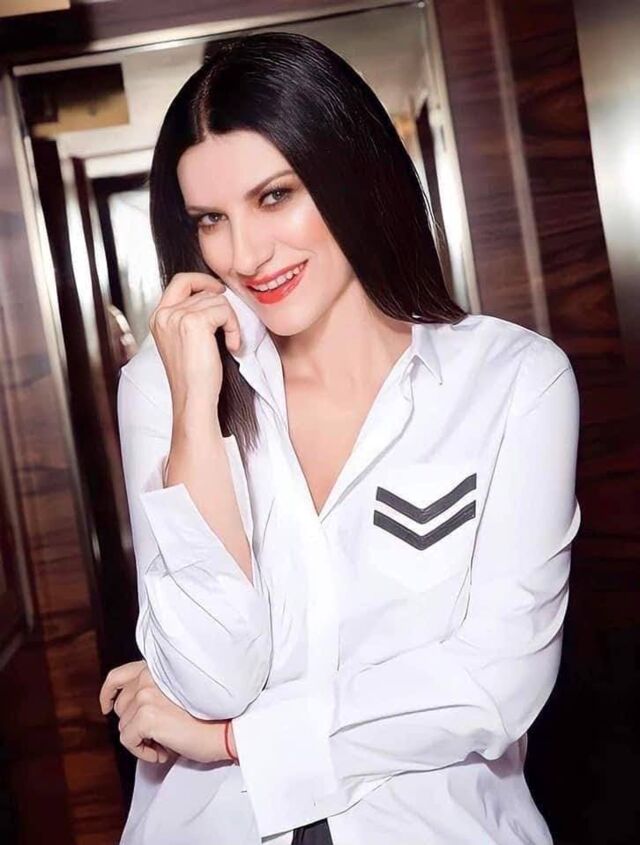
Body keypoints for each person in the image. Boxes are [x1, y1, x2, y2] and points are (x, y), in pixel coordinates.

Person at [98, 31, 582, 845]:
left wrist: (237, 739)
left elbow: (494, 682)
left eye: (275, 196)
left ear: (352, 172)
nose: (245, 254)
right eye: (211, 219)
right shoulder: (166, 383)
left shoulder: (514, 383)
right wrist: (192, 409)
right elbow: (212, 675)